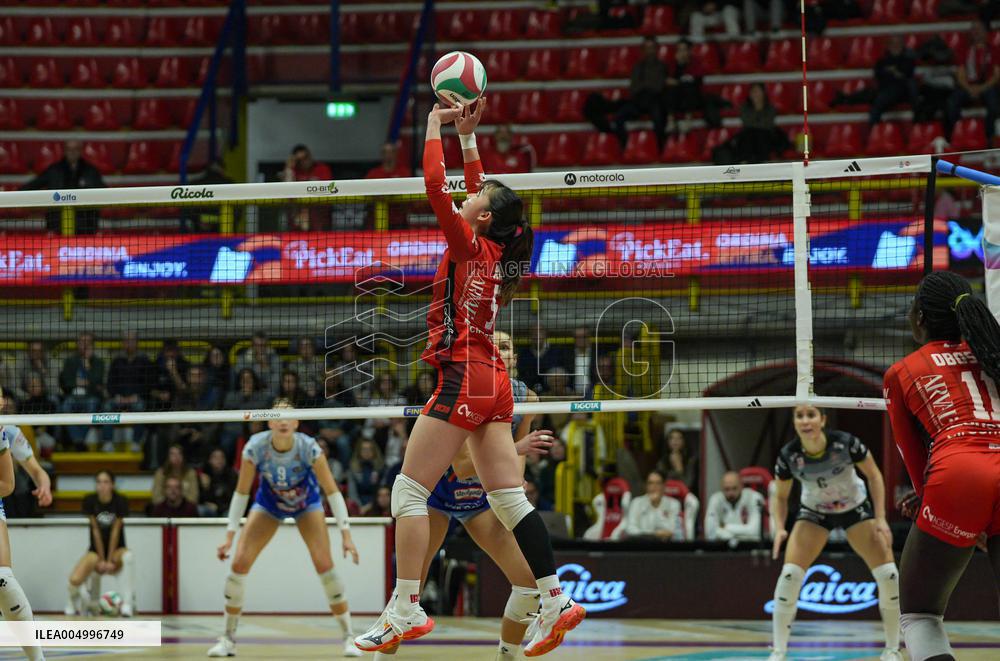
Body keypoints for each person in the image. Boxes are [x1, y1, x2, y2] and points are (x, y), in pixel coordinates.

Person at [355, 100, 584, 657]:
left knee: (408, 491)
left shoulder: (467, 242)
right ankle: (555, 598)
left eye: (478, 197)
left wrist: (433, 125)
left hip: (463, 373)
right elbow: (477, 191)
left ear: (482, 218)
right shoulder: (498, 250)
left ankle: (405, 608)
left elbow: (437, 186)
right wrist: (469, 138)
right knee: (509, 499)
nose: (470, 193)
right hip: (496, 379)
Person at [372, 329, 556, 661]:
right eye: (494, 346)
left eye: (506, 346)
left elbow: (514, 472)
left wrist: (514, 491)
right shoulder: (467, 389)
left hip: (480, 499)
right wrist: (517, 448)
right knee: (407, 595)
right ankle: (381, 657)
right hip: (439, 495)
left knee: (529, 584)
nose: (501, 351)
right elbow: (462, 466)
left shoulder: (527, 398)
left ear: (514, 357)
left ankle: (506, 657)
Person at [883, 271, 1000, 661]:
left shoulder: (902, 372)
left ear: (920, 317)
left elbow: (915, 460)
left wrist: (937, 506)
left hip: (959, 474)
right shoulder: (993, 351)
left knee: (919, 615)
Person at [209, 399, 361, 658]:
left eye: (288, 417)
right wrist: (229, 537)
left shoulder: (309, 447)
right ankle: (227, 639)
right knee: (238, 565)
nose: (283, 421)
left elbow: (333, 491)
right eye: (277, 417)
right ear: (269, 422)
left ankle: (349, 637)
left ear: (297, 422)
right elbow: (241, 493)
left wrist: (346, 535)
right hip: (269, 505)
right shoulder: (255, 447)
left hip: (307, 504)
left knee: (325, 565)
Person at [768, 405, 900, 661]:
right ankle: (778, 652)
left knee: (889, 575)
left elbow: (874, 476)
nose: (805, 421)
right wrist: (780, 528)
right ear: (794, 422)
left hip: (855, 508)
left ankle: (892, 649)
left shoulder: (846, 444)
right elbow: (781, 496)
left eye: (811, 415)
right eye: (799, 416)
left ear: (823, 419)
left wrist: (881, 518)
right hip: (814, 511)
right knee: (790, 575)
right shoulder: (788, 456)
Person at [0, 416, 46, 660]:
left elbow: (10, 483)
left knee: (2, 579)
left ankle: (37, 658)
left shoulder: (7, 430)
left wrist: (43, 483)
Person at [66, 470, 135, 618]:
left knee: (128, 556)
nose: (102, 486)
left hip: (117, 549)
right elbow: (95, 530)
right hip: (95, 551)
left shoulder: (120, 500)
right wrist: (102, 560)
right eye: (98, 482)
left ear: (112, 485)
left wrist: (109, 560)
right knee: (75, 579)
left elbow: (116, 531)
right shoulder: (90, 500)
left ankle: (127, 604)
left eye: (106, 482)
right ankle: (72, 602)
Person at [22, 139, 105, 234]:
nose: (72, 152)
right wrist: (35, 209)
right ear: (64, 151)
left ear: (81, 151)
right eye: (69, 149)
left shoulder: (91, 171)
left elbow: (104, 194)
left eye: (75, 149)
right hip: (56, 226)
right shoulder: (53, 170)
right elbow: (29, 187)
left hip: (86, 227)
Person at [946, 20, 999, 148]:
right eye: (973, 30)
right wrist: (970, 88)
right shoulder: (964, 50)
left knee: (994, 105)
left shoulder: (994, 50)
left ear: (986, 32)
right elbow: (960, 75)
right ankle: (956, 136)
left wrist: (981, 88)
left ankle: (989, 138)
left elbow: (997, 75)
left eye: (979, 29)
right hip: (967, 85)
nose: (976, 32)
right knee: (951, 104)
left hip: (987, 85)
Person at [612, 36, 668, 150]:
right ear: (643, 50)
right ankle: (625, 147)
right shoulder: (637, 67)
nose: (649, 51)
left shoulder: (662, 66)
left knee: (660, 118)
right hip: (638, 101)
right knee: (618, 118)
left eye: (652, 48)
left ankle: (660, 148)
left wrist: (645, 85)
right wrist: (648, 85)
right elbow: (633, 88)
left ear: (656, 49)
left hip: (654, 101)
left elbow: (659, 87)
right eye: (647, 48)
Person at [104, 331, 152, 451]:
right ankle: (108, 442)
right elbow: (110, 382)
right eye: (126, 340)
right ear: (123, 343)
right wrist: (116, 396)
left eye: (131, 340)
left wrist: (137, 396)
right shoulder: (116, 361)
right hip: (118, 398)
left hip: (136, 398)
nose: (129, 343)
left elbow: (148, 383)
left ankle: (136, 442)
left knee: (140, 406)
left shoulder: (144, 360)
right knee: (107, 406)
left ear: (137, 342)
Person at [58, 332, 105, 450]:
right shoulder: (70, 361)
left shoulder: (98, 362)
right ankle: (78, 440)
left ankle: (79, 440)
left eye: (88, 342)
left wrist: (87, 365)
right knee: (65, 406)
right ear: (77, 344)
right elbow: (67, 382)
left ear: (92, 345)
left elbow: (97, 382)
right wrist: (85, 382)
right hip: (72, 396)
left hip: (90, 397)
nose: (85, 345)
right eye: (82, 342)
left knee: (92, 404)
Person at [279, 144, 333, 231]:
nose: (304, 161)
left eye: (306, 157)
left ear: (310, 156)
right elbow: (286, 189)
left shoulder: (322, 168)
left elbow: (329, 190)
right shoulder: (293, 170)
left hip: (318, 213)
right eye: (300, 159)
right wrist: (289, 167)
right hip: (297, 213)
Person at [868, 35, 918, 125]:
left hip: (901, 91)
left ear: (902, 45)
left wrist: (892, 72)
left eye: (898, 43)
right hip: (885, 89)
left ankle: (917, 125)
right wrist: (895, 73)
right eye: (893, 43)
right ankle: (874, 130)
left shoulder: (907, 60)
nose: (896, 46)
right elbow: (878, 75)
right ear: (889, 46)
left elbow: (907, 75)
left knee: (879, 100)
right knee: (868, 94)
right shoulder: (882, 61)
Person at [705, 471, 765, 543]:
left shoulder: (755, 498)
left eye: (734, 488)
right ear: (721, 488)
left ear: (741, 486)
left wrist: (725, 527)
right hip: (723, 546)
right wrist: (736, 536)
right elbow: (710, 532)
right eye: (727, 489)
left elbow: (755, 531)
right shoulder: (715, 500)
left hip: (750, 546)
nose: (731, 493)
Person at [623, 470, 680, 541]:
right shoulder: (636, 502)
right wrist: (653, 535)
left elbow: (672, 530)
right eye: (650, 483)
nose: (654, 487)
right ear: (646, 486)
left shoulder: (673, 504)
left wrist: (655, 506)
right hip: (641, 543)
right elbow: (630, 528)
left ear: (664, 486)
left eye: (658, 483)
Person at [234, 331, 281, 396]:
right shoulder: (242, 359)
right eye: (257, 345)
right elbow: (241, 379)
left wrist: (265, 367)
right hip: (248, 391)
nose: (260, 348)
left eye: (263, 345)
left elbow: (275, 384)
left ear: (267, 346)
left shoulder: (275, 359)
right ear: (252, 345)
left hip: (268, 393)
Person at [198, 447, 237, 517]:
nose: (219, 460)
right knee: (201, 510)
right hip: (210, 510)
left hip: (226, 509)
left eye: (222, 457)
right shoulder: (204, 475)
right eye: (215, 457)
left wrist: (218, 507)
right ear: (209, 460)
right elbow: (199, 499)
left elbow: (232, 499)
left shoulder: (232, 475)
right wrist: (206, 488)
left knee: (229, 513)